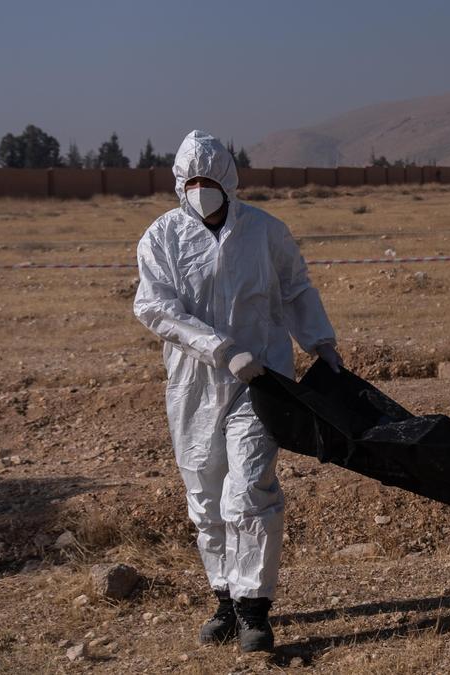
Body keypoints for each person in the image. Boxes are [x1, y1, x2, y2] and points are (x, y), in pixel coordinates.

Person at [133, 130, 342, 651]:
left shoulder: (266, 232)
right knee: (205, 497)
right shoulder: (161, 238)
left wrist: (320, 341)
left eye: (210, 180)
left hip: (262, 380)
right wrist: (221, 349)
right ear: (180, 184)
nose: (202, 189)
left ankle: (254, 609)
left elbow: (295, 288)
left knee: (249, 488)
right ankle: (223, 598)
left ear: (229, 181)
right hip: (195, 385)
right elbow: (156, 309)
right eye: (193, 181)